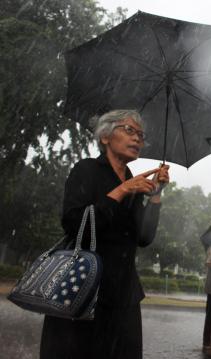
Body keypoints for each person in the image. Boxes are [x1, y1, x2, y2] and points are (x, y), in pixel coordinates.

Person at [40, 109, 169, 359]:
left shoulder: (134, 180)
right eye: (129, 130)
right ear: (105, 137)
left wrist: (156, 194)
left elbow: (143, 237)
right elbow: (75, 224)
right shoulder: (86, 170)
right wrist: (121, 191)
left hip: (124, 296)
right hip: (84, 290)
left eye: (141, 135)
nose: (137, 139)